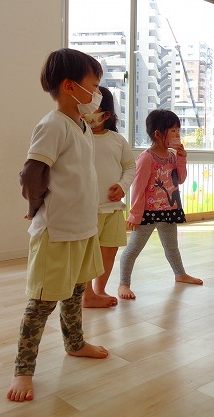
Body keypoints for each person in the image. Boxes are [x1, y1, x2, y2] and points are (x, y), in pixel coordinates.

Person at [7, 48, 108, 403]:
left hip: (82, 227)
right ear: (69, 86)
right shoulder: (52, 125)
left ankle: (75, 343)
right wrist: (35, 206)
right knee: (42, 302)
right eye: (93, 86)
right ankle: (23, 369)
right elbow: (32, 173)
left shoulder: (81, 125)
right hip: (57, 230)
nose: (97, 93)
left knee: (76, 291)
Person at [117, 109, 203, 299]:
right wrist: (135, 214)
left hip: (169, 211)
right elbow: (138, 188)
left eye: (178, 130)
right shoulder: (146, 158)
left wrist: (182, 157)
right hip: (148, 213)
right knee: (133, 249)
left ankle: (180, 274)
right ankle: (124, 283)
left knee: (172, 247)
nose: (177, 134)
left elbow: (180, 179)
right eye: (173, 130)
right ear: (158, 134)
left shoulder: (173, 156)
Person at [81, 86, 136, 308]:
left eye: (93, 109)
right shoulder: (78, 137)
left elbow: (130, 167)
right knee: (86, 254)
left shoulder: (118, 140)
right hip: (88, 209)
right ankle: (86, 295)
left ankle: (99, 290)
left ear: (106, 115)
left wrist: (123, 186)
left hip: (113, 208)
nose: (87, 113)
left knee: (109, 250)